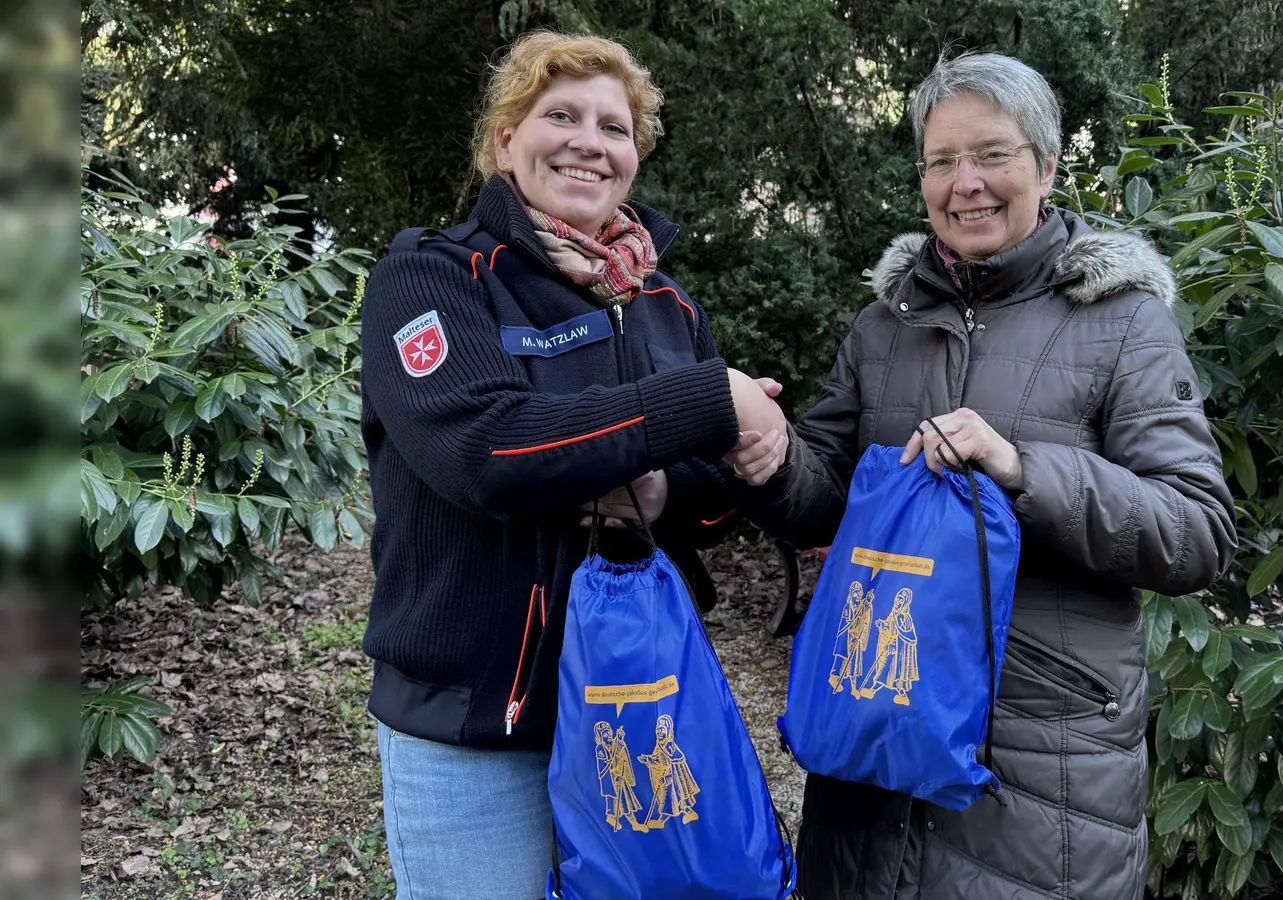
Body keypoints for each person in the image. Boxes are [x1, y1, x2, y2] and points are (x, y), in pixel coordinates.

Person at [725, 51, 1238, 899]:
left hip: (1038, 762)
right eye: (942, 161)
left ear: (1047, 164)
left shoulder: (1122, 323)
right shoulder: (884, 326)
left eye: (992, 154)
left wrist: (1021, 468)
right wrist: (768, 458)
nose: (966, 183)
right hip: (874, 739)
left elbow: (1195, 534)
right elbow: (825, 504)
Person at [358, 31, 782, 899]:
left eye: (614, 127)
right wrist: (703, 402)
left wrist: (662, 487)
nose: (590, 142)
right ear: (504, 141)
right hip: (480, 731)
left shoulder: (667, 306)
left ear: (635, 157)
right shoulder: (431, 278)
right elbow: (486, 451)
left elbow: (713, 502)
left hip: (639, 703)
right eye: (561, 116)